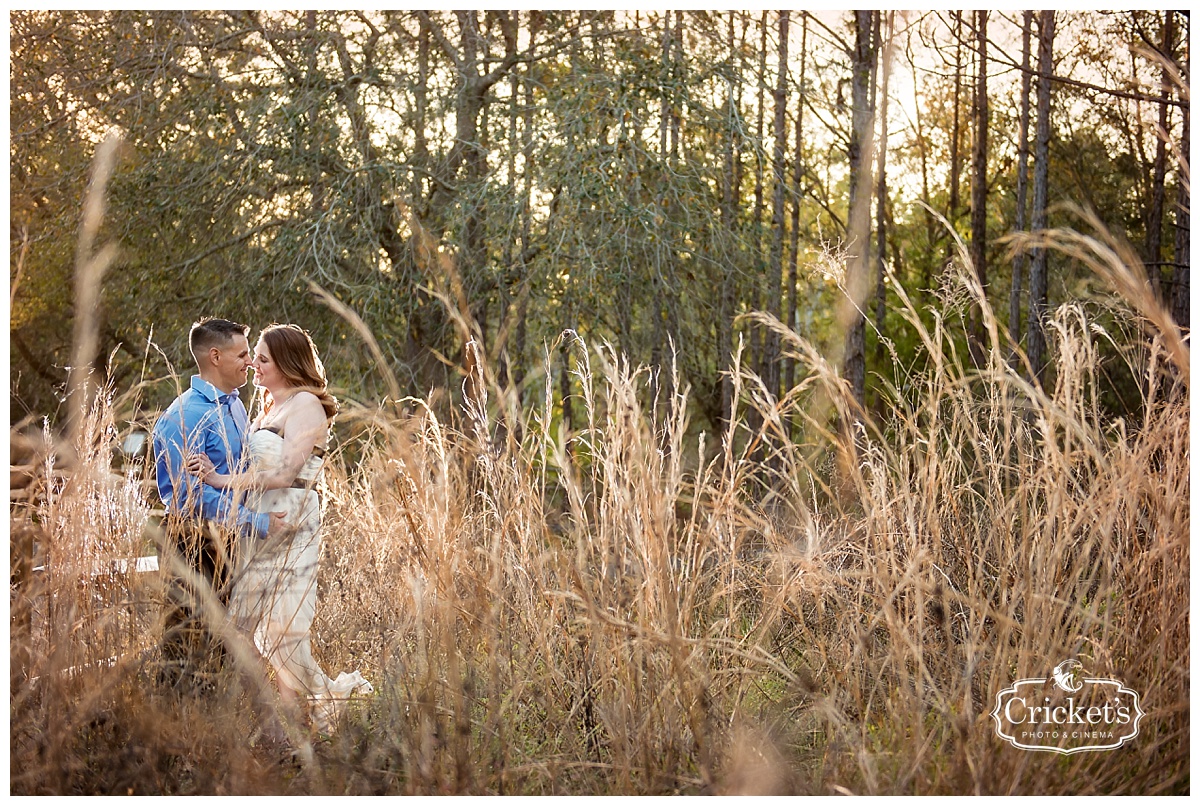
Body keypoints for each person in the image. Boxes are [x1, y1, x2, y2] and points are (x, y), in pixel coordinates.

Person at [187, 323, 372, 734]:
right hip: (259, 525)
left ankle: (300, 722)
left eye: (263, 359)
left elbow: (287, 473)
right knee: (251, 631)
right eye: (254, 357)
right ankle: (292, 718)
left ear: (287, 363)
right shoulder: (266, 410)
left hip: (290, 520)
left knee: (284, 631)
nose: (253, 364)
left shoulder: (305, 403)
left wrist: (219, 480)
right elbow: (253, 469)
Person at [151, 317, 286, 690]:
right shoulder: (186, 415)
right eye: (242, 354)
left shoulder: (235, 406)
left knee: (223, 648)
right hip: (193, 543)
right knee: (187, 645)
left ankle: (215, 736)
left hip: (231, 541)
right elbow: (187, 497)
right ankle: (172, 733)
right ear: (215, 356)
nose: (249, 362)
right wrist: (257, 522)